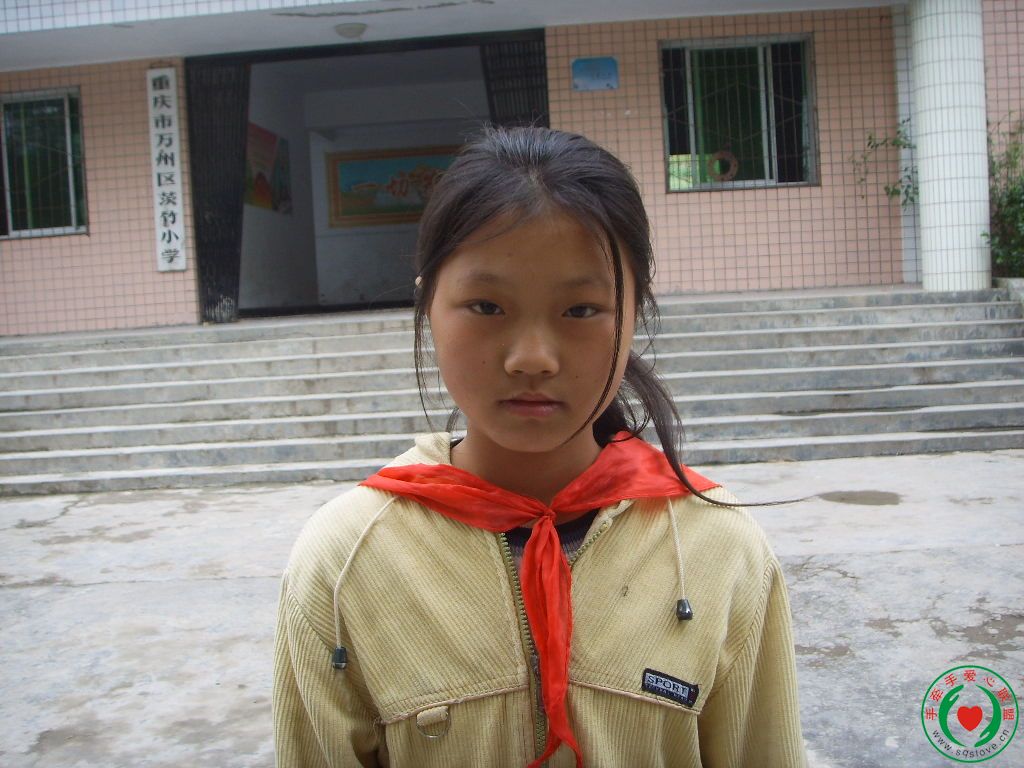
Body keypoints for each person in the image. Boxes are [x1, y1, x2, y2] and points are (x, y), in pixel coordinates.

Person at [273, 126, 806, 767]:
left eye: (580, 310)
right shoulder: (343, 562)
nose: (532, 358)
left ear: (634, 313)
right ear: (428, 303)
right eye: (486, 306)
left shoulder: (720, 549)